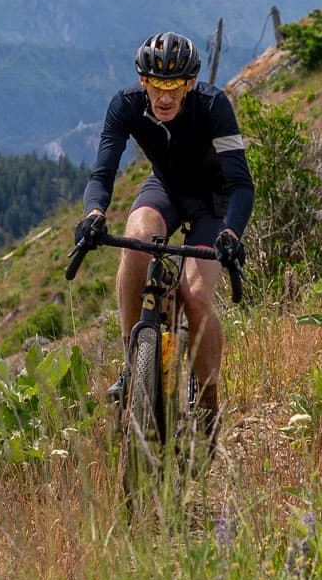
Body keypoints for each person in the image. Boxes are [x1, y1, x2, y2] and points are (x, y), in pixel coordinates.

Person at [76, 31, 251, 447]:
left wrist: (230, 232)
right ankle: (134, 359)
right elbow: (102, 175)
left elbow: (242, 185)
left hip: (213, 202)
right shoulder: (126, 107)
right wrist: (94, 215)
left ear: (190, 83)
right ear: (143, 81)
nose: (165, 96)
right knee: (136, 244)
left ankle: (208, 404)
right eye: (156, 85)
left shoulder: (214, 106)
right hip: (166, 189)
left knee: (194, 295)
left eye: (174, 86)